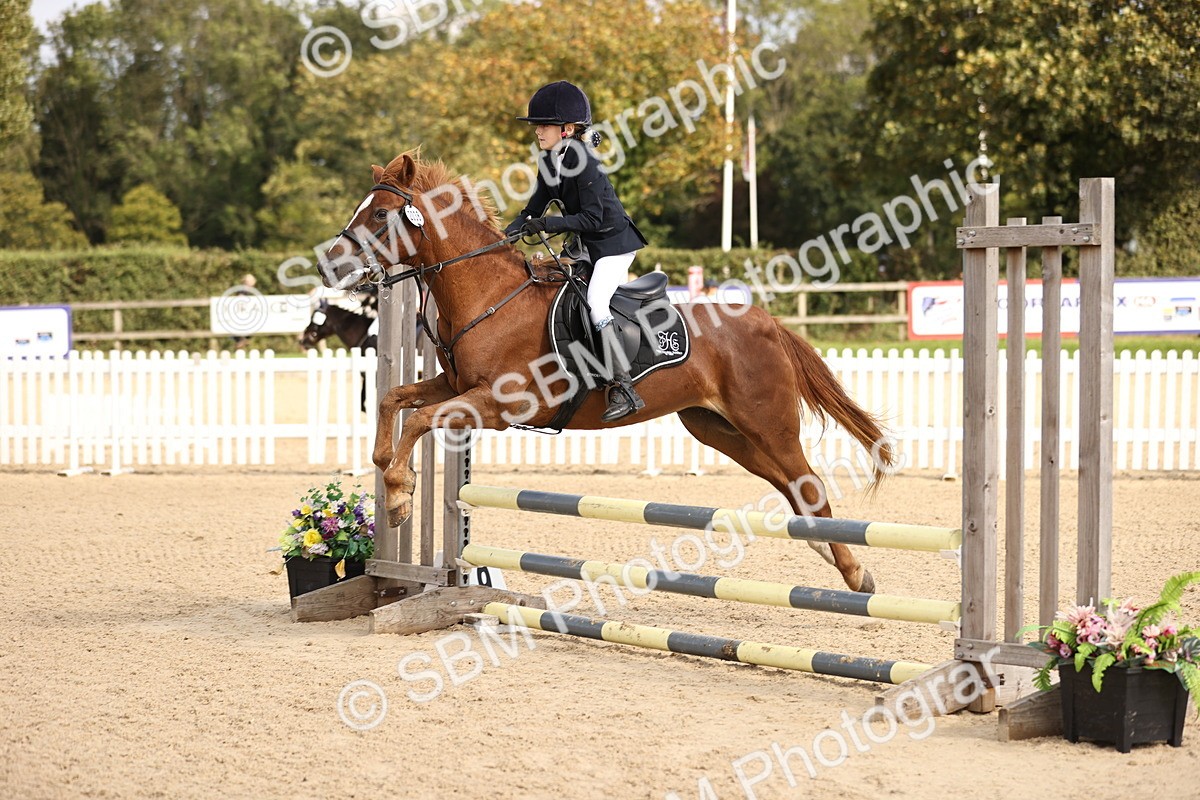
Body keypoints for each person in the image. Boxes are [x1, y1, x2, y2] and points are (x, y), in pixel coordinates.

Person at [504, 80, 648, 422]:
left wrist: (547, 226)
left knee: (596, 302)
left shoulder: (584, 161)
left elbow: (592, 217)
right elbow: (532, 210)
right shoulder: (548, 160)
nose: (537, 131)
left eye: (544, 125)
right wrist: (500, 238)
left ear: (567, 130)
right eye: (537, 125)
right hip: (587, 249)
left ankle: (624, 387)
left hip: (614, 247)